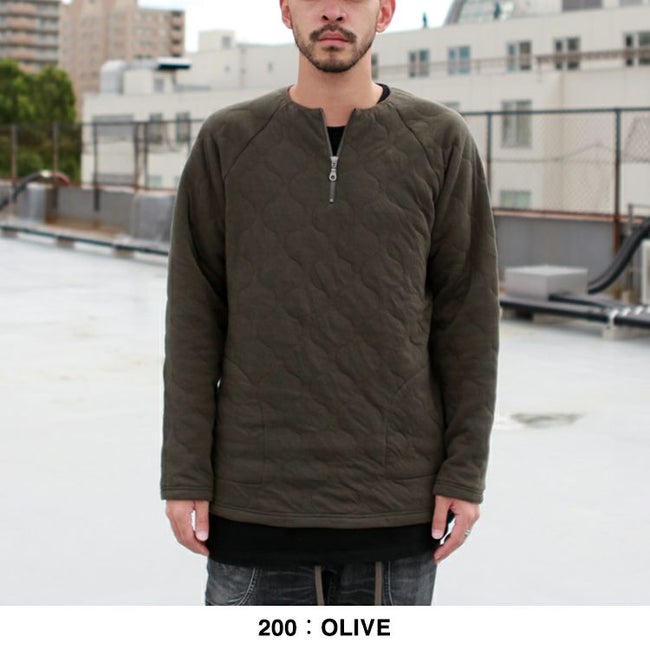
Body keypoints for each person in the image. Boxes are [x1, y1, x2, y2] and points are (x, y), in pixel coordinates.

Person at [161, 0, 499, 606]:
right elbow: (193, 319)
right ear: (286, 10)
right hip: (253, 506)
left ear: (385, 11)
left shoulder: (441, 140)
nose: (334, 11)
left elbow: (468, 320)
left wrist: (465, 470)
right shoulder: (227, 140)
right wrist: (185, 472)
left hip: (399, 511)